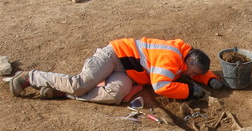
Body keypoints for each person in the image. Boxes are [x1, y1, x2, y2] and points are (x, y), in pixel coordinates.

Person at [9, 37, 223, 104]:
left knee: (116, 95)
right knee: (80, 85)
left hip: (129, 71)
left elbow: (197, 68)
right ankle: (31, 77)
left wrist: (210, 79)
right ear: (186, 61)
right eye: (193, 74)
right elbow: (160, 86)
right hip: (114, 56)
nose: (192, 78)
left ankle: (60, 93)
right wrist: (189, 92)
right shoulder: (170, 59)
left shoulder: (187, 58)